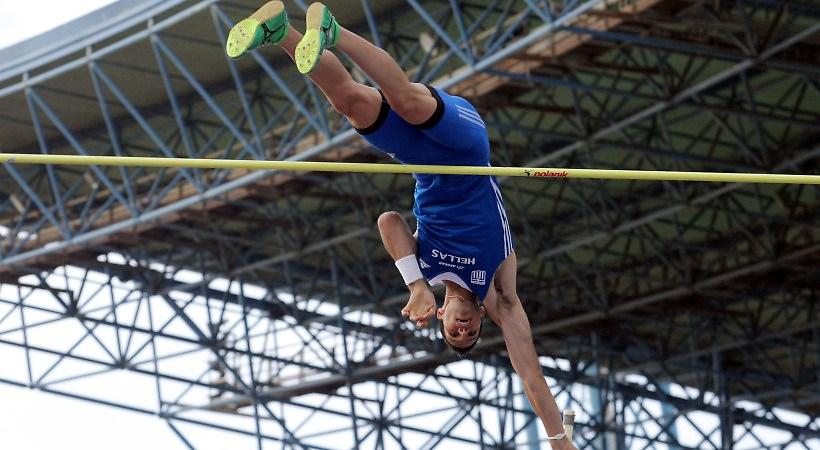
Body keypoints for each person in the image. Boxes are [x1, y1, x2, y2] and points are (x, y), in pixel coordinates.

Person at [226, 2, 577, 447]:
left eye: (455, 331)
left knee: (350, 101)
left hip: (422, 162)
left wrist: (415, 286)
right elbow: (530, 374)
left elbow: (389, 221)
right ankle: (334, 31)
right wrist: (559, 440)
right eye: (470, 332)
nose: (463, 328)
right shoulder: (501, 295)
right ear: (483, 320)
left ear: (444, 317)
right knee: (407, 101)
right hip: (467, 151)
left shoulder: (425, 273)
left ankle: (279, 31)